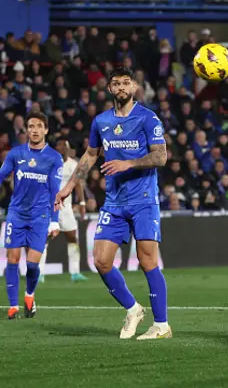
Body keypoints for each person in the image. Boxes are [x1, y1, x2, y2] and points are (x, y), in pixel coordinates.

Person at [55, 67, 171, 340]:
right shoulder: (101, 121)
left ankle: (162, 325)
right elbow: (90, 155)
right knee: (101, 260)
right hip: (115, 202)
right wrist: (68, 187)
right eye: (116, 83)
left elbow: (161, 156)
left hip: (143, 200)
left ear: (134, 88)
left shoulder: (147, 118)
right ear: (109, 89)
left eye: (126, 83)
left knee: (147, 261)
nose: (121, 87)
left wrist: (128, 163)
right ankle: (133, 309)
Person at [0, 111, 63, 319]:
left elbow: (55, 191)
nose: (34, 130)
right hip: (17, 214)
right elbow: (1, 176)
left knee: (32, 264)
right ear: (26, 130)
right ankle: (13, 306)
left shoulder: (54, 158)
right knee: (13, 258)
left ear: (46, 130)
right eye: (30, 126)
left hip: (40, 217)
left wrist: (54, 221)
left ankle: (29, 295)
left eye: (38, 126)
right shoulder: (16, 154)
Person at [39, 138, 88, 283]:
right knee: (44, 238)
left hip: (66, 208)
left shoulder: (73, 164)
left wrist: (82, 202)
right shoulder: (49, 162)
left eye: (65, 146)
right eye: (59, 146)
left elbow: (78, 183)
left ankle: (75, 273)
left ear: (68, 148)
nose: (62, 148)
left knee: (72, 237)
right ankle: (39, 273)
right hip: (49, 205)